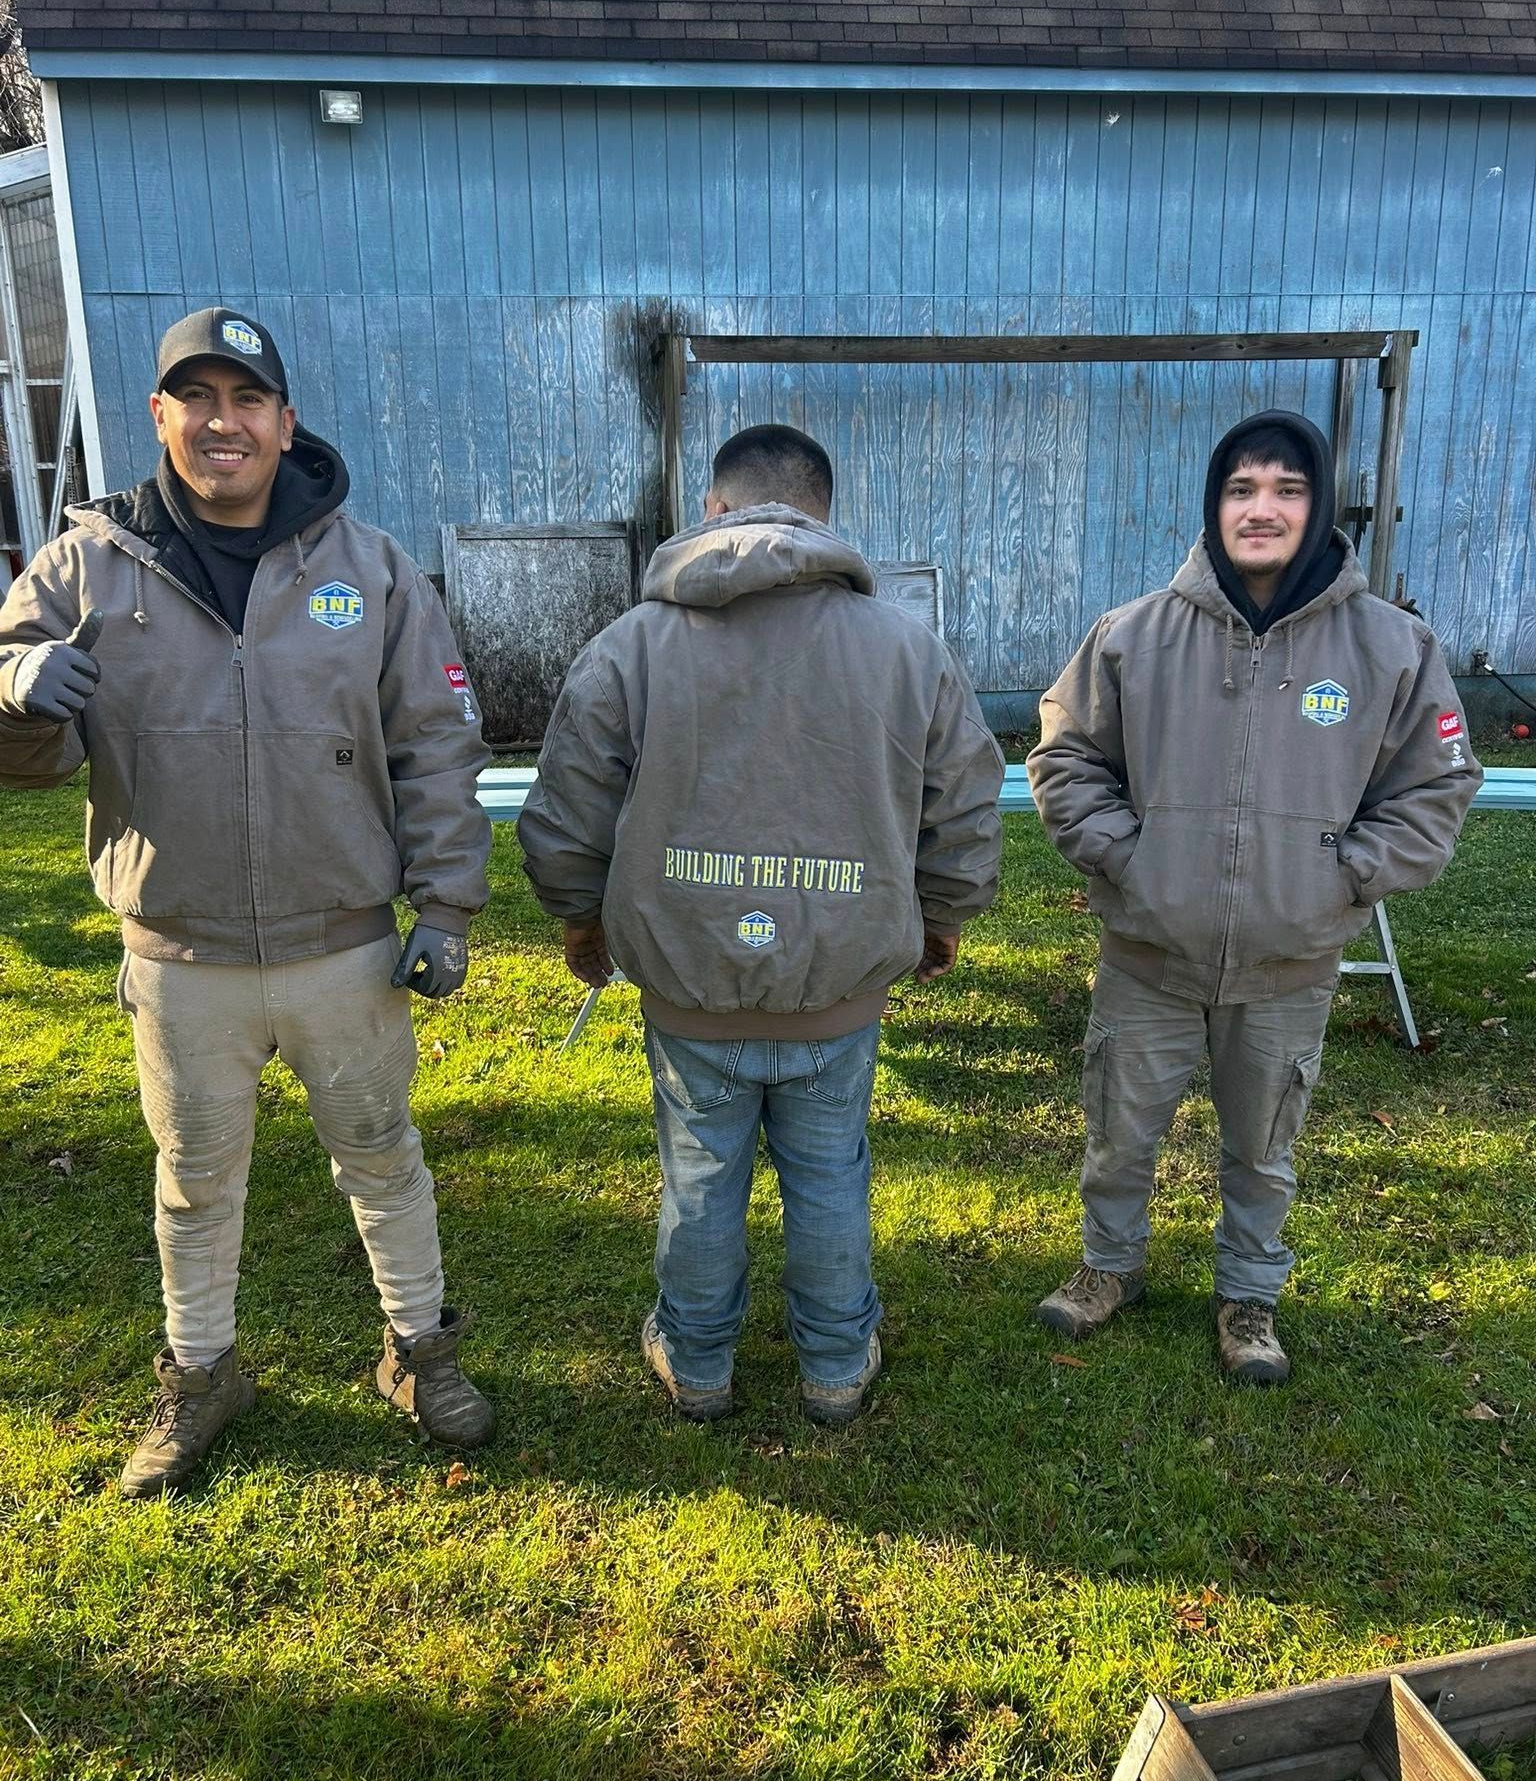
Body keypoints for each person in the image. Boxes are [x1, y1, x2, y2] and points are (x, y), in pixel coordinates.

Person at [0, 306, 496, 1496]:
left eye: (247, 400)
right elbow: (27, 761)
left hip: (344, 948)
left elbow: (436, 745)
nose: (224, 423)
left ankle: (421, 1352)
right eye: (198, 399)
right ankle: (203, 1373)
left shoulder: (369, 568)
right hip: (182, 952)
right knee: (194, 1178)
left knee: (383, 1156)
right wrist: (15, 688)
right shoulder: (83, 567)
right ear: (159, 415)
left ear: (284, 421)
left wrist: (446, 907)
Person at [519, 424, 1004, 1424]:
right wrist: (943, 915)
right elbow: (962, 803)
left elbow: (567, 808)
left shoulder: (631, 646)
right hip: (839, 987)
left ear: (712, 509)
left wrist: (578, 919)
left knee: (700, 1176)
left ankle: (698, 1364)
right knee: (829, 1176)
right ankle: (836, 1366)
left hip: (690, 986)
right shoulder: (906, 648)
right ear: (824, 517)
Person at [1027, 409, 1481, 1384]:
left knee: (1264, 1146)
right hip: (1148, 955)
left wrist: (1343, 875)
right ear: (1215, 504)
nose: (1261, 508)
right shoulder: (1132, 635)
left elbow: (1437, 784)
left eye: (1286, 489)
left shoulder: (1392, 647)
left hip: (1288, 964)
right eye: (1241, 489)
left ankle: (1248, 1293)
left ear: (1319, 507)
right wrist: (1127, 856)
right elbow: (1065, 756)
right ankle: (1110, 1265)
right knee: (1118, 1131)